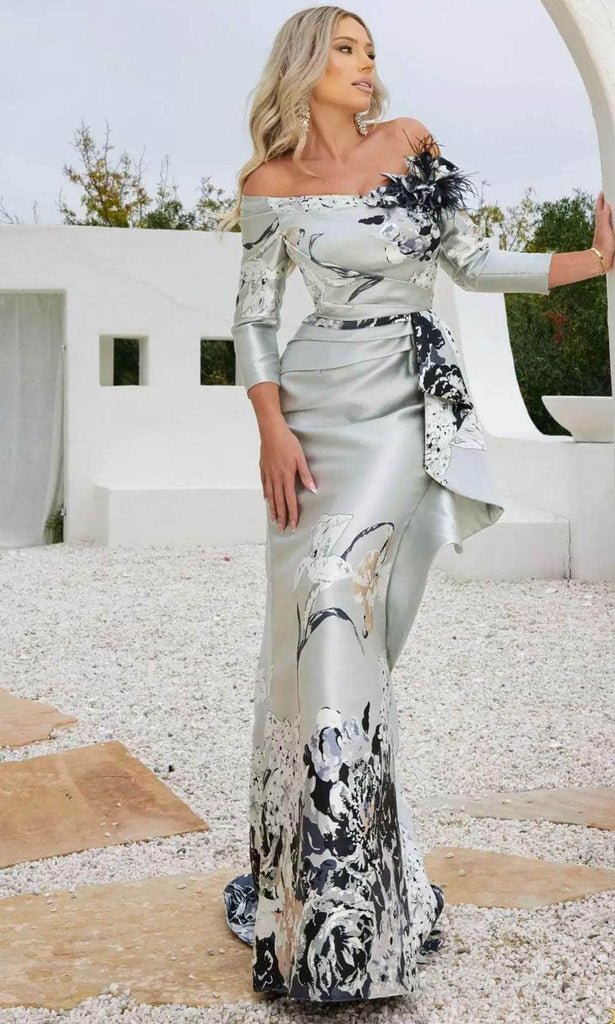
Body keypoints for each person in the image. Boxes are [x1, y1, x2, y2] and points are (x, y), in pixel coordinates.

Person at [216, 4, 614, 1004]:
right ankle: (324, 902)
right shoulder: (269, 185)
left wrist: (589, 262)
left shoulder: (409, 141)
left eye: (370, 51)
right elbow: (254, 320)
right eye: (346, 49)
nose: (366, 64)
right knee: (304, 644)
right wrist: (271, 428)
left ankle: (357, 910)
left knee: (337, 595)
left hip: (402, 403)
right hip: (310, 414)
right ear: (305, 65)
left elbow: (469, 262)